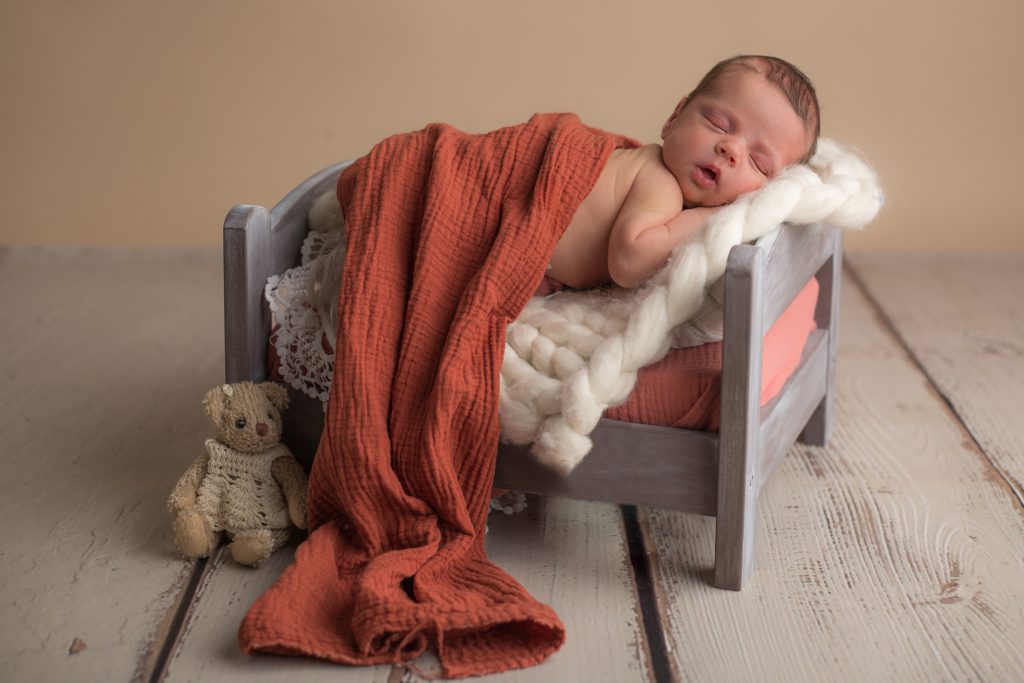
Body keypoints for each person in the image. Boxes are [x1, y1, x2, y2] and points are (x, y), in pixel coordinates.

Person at [535, 54, 820, 296]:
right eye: (718, 124)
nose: (730, 148)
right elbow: (628, 263)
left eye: (757, 162)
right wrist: (711, 217)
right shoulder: (659, 180)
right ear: (674, 118)